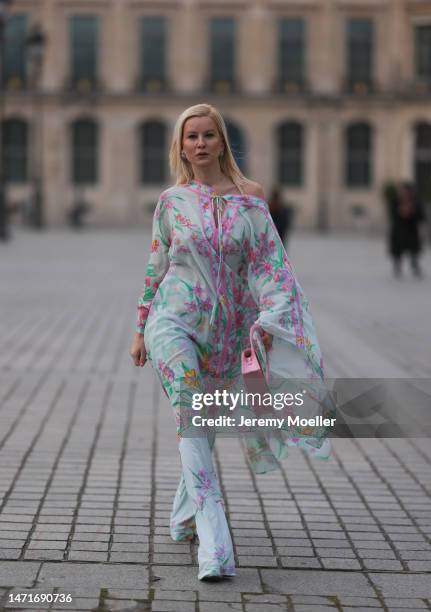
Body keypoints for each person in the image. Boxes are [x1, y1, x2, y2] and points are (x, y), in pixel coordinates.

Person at [129, 103, 332, 581]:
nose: (199, 144)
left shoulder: (252, 199)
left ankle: (181, 517)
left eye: (208, 135)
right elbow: (155, 268)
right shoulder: (171, 202)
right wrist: (140, 329)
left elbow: (269, 265)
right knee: (190, 409)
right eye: (190, 137)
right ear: (181, 146)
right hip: (172, 323)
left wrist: (269, 317)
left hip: (228, 332)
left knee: (202, 421)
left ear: (222, 141)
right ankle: (215, 541)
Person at [386, 181, 426, 278]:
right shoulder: (395, 201)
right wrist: (400, 212)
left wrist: (412, 212)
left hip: (411, 230)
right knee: (397, 251)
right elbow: (392, 214)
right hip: (398, 231)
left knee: (414, 250)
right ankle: (397, 267)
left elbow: (422, 216)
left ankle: (414, 265)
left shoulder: (416, 201)